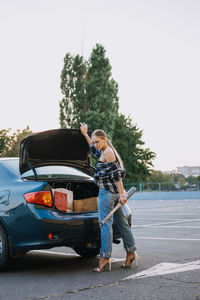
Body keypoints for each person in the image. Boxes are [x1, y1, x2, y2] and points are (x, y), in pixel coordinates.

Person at [80, 122, 137, 272]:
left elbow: (117, 176)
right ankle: (131, 252)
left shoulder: (108, 153)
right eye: (94, 142)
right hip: (113, 194)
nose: (95, 144)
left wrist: (123, 194)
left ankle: (104, 258)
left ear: (104, 139)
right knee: (122, 224)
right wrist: (85, 134)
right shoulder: (103, 151)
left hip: (107, 194)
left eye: (97, 141)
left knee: (104, 224)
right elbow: (93, 150)